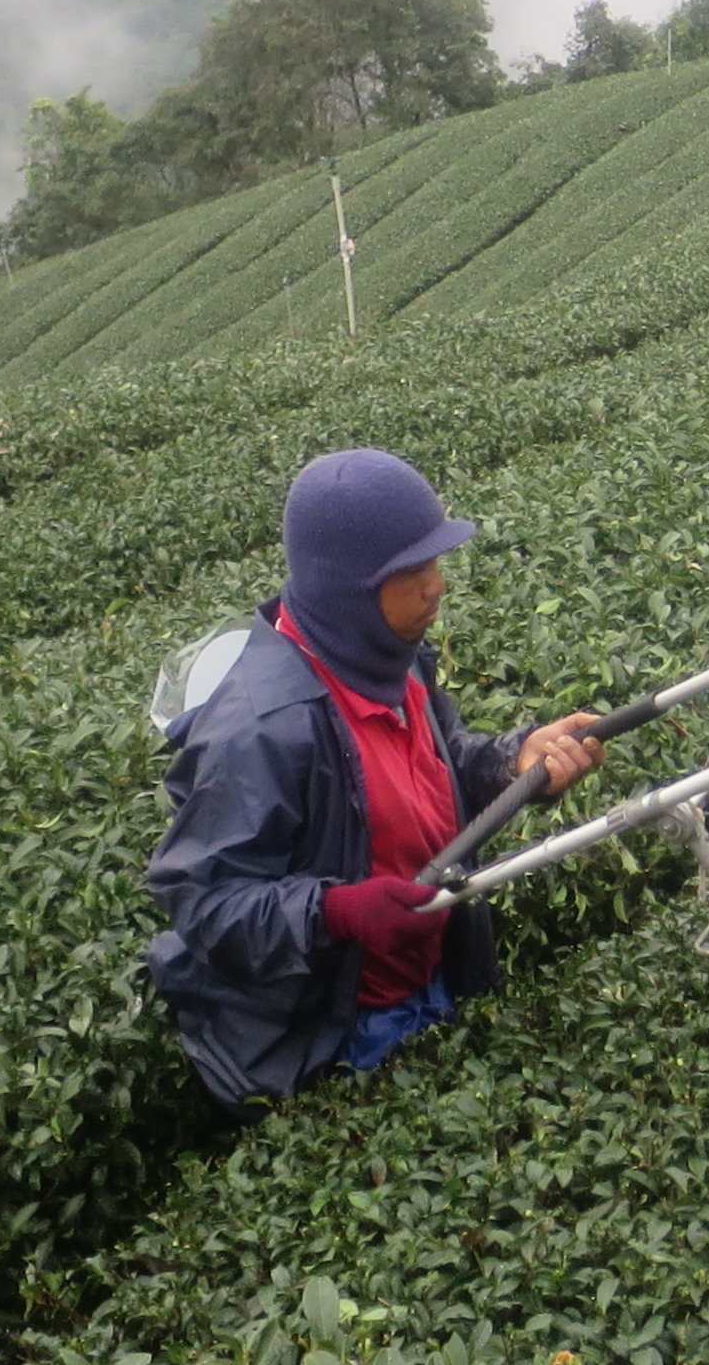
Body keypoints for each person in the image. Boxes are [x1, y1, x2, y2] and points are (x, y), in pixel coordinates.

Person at [147, 448, 604, 1117]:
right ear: (350, 587)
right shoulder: (264, 728)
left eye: (436, 563)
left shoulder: (386, 657)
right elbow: (206, 904)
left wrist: (514, 764)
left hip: (430, 979)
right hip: (333, 1039)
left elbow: (439, 759)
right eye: (413, 571)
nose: (437, 586)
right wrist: (336, 911)